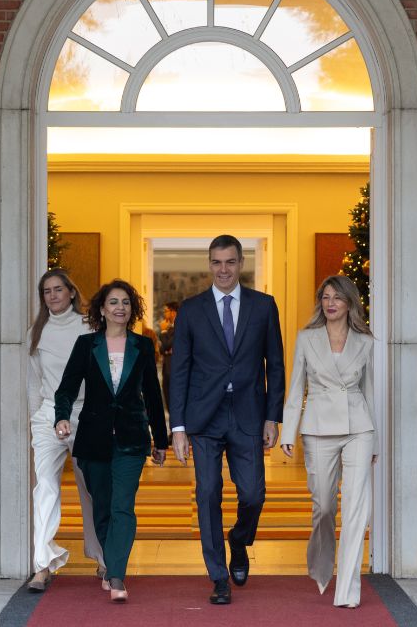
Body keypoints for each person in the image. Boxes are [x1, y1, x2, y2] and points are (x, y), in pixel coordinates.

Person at [168, 235, 286, 605]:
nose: (223, 269)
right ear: (209, 264)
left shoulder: (264, 306)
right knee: (207, 494)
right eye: (217, 262)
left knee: (253, 493)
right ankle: (218, 577)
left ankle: (238, 539)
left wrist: (272, 416)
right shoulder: (191, 309)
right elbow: (180, 370)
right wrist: (179, 427)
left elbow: (276, 365)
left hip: (248, 414)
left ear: (241, 264)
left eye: (230, 262)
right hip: (205, 416)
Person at [54, 279, 170, 603]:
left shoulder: (142, 346)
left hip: (132, 439)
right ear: (102, 309)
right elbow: (65, 389)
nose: (121, 308)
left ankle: (116, 573)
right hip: (93, 439)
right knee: (102, 508)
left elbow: (153, 396)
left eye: (126, 303)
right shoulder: (86, 345)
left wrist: (161, 441)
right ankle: (110, 564)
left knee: (123, 506)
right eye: (114, 302)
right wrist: (62, 416)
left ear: (132, 310)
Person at [278, 275, 377, 609]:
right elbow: (295, 388)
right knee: (323, 507)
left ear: (350, 302)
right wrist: (288, 432)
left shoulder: (365, 341)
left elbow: (370, 390)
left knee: (355, 507)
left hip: (358, 427)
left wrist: (374, 439)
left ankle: (347, 589)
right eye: (326, 297)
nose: (331, 303)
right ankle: (321, 565)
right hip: (318, 427)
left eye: (337, 297)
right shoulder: (306, 338)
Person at [25, 269, 104, 593]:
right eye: (47, 291)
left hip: (85, 415)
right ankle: (42, 565)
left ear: (71, 292)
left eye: (59, 289)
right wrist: (36, 419)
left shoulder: (90, 328)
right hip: (48, 417)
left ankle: (103, 559)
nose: (53, 295)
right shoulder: (37, 332)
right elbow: (33, 383)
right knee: (45, 488)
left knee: (93, 491)